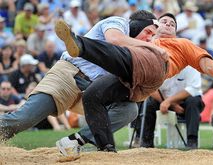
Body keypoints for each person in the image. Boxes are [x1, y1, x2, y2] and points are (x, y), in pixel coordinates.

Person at [54, 13, 213, 152]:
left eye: (172, 24)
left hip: (155, 67)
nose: (167, 24)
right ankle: (106, 148)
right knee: (92, 95)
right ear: (154, 28)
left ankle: (81, 45)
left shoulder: (183, 43)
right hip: (134, 79)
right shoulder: (144, 39)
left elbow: (207, 66)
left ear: (176, 31)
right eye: (163, 21)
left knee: (126, 54)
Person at [0, 10, 158, 152]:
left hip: (94, 91)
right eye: (148, 32)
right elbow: (114, 39)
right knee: (25, 119)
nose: (149, 38)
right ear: (136, 25)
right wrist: (154, 48)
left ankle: (75, 141)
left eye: (152, 36)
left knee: (129, 110)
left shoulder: (137, 51)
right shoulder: (118, 22)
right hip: (68, 75)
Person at [139, 66, 204, 149]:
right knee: (149, 103)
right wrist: (170, 104)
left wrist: (169, 102)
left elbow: (192, 89)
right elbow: (150, 87)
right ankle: (146, 141)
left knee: (194, 101)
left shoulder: (191, 67)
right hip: (163, 101)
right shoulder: (159, 64)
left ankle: (192, 141)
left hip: (185, 102)